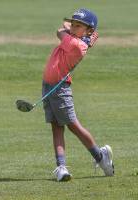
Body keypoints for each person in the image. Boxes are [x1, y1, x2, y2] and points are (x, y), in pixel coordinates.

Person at [42, 8, 114, 181]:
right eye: (73, 24)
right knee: (56, 127)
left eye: (78, 26)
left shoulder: (75, 44)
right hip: (49, 86)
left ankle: (100, 157)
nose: (72, 28)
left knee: (73, 126)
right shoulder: (79, 40)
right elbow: (67, 25)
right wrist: (82, 32)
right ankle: (61, 167)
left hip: (59, 89)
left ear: (89, 30)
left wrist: (76, 33)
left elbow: (60, 30)